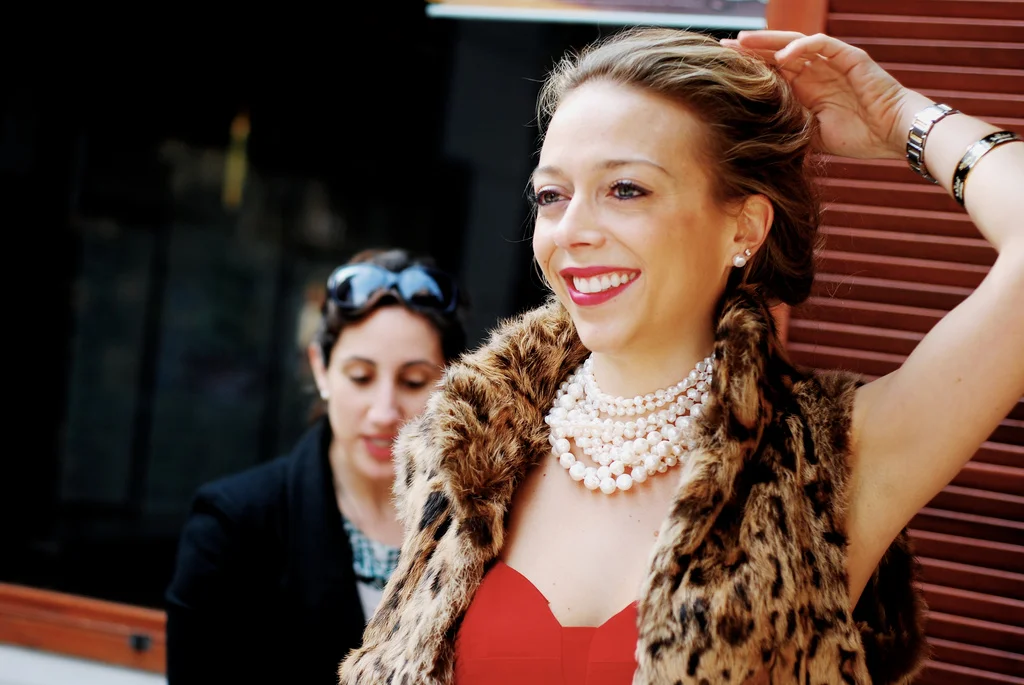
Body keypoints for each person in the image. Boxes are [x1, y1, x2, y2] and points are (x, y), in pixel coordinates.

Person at [338, 26, 1024, 685]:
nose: (571, 230)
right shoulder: (469, 454)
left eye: (625, 189)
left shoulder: (828, 464)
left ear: (745, 226)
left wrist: (902, 114)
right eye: (552, 194)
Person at [164, 247, 467, 685]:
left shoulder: (482, 523)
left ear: (451, 382)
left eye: (413, 381)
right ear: (320, 369)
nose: (384, 411)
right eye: (360, 377)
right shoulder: (232, 527)